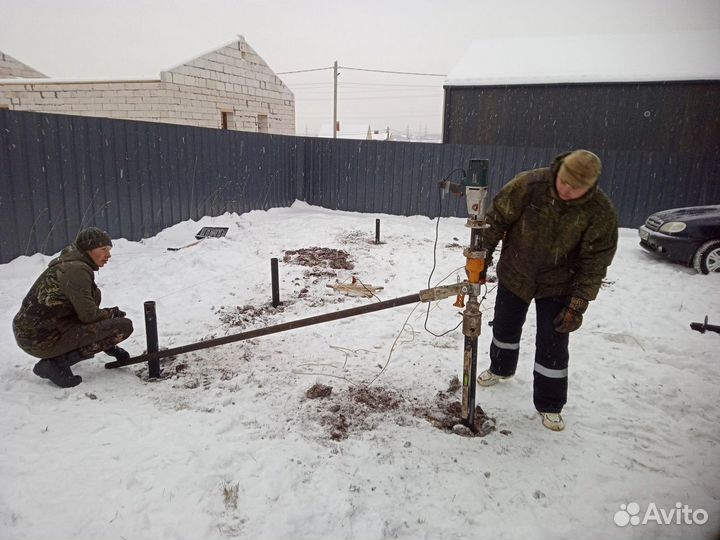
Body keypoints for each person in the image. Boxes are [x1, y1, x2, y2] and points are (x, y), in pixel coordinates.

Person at [478, 150, 618, 431]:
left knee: (553, 343)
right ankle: (500, 368)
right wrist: (482, 257)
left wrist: (578, 302)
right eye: (564, 181)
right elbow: (496, 220)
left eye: (576, 187)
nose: (567, 190)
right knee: (505, 327)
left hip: (559, 282)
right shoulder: (530, 185)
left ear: (590, 186)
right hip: (516, 271)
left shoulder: (599, 211)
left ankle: (550, 404)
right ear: (559, 171)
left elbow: (596, 261)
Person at [13, 227, 133, 388]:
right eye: (103, 249)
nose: (108, 255)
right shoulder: (76, 270)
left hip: (38, 331)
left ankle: (58, 359)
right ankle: (56, 364)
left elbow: (85, 314)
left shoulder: (73, 264)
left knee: (96, 295)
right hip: (39, 338)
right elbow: (89, 317)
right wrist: (110, 315)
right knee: (124, 326)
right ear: (88, 250)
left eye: (109, 249)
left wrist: (111, 345)